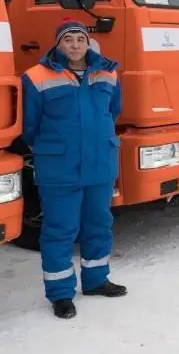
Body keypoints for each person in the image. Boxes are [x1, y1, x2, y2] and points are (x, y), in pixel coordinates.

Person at [22, 19, 126, 320]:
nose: (75, 45)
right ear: (58, 44)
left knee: (98, 225)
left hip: (100, 165)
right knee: (59, 230)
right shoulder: (36, 76)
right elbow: (30, 125)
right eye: (68, 40)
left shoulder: (108, 73)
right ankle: (61, 294)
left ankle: (95, 280)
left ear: (88, 43)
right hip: (59, 167)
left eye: (81, 39)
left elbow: (113, 111)